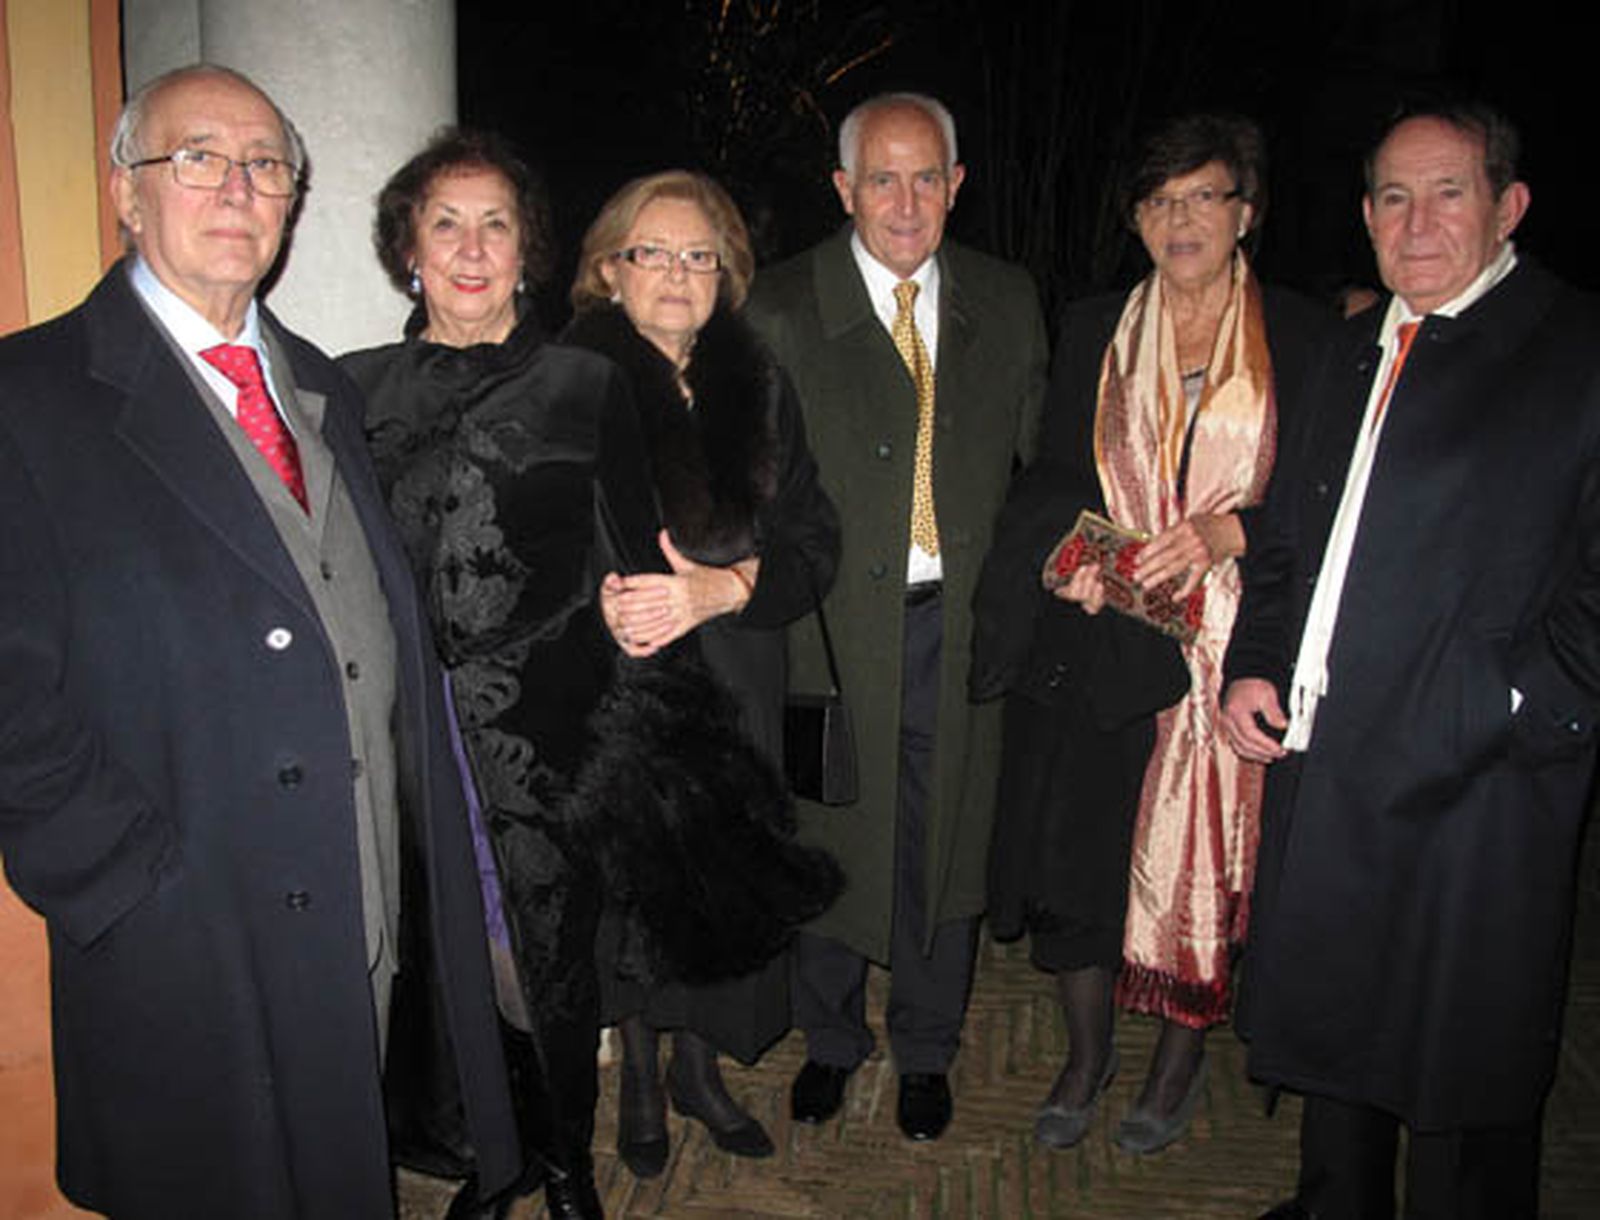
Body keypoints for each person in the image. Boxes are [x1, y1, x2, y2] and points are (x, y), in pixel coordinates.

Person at [0, 67, 518, 1218]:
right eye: (198, 158)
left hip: (356, 911)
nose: (238, 187)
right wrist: (133, 891)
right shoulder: (25, 398)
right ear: (128, 193)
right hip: (187, 937)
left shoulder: (322, 384)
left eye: (267, 164)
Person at [1219, 102, 1596, 1219]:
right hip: (1329, 759)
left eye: (1447, 193)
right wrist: (1255, 661)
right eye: (1391, 194)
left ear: (1507, 205)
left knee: (1457, 1059)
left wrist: (1507, 700)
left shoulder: (1574, 349)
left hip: (1480, 780)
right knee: (1340, 1013)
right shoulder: (1346, 348)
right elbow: (1287, 538)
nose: (1415, 221)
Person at [973, 115, 1329, 1155]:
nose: (1181, 219)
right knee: (1073, 857)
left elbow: (1325, 499)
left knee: (1205, 869)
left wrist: (1231, 529)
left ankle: (1176, 1060)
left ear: (1244, 213)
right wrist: (1066, 560)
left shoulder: (1303, 336)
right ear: (1135, 217)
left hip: (1234, 648)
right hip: (1104, 640)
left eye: (1204, 197)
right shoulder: (1090, 324)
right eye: (1160, 200)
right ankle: (1085, 1054)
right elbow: (1048, 481)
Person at [340, 128, 636, 1220]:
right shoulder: (351, 390)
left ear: (529, 251)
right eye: (445, 223)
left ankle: (566, 1161)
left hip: (552, 732)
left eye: (495, 223)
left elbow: (641, 550)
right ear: (408, 249)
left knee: (545, 964)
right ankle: (492, 1154)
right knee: (449, 956)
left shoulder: (586, 382)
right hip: (419, 733)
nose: (471, 248)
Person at [745, 92, 1048, 1142]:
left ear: (957, 185)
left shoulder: (1006, 302)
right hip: (827, 632)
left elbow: (1037, 471)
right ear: (843, 190)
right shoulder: (780, 308)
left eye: (928, 177)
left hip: (955, 624)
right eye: (883, 177)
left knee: (945, 836)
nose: (906, 201)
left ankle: (927, 1044)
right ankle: (830, 1039)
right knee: (831, 827)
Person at [563, 169, 841, 1176]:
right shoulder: (567, 381)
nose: (677, 273)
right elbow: (519, 532)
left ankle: (697, 1064)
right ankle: (636, 1064)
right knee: (631, 885)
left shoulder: (759, 383)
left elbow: (815, 535)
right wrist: (588, 595)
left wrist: (729, 588)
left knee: (723, 878)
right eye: (654, 252)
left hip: (734, 666)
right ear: (610, 267)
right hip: (616, 678)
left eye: (699, 255)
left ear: (725, 274)